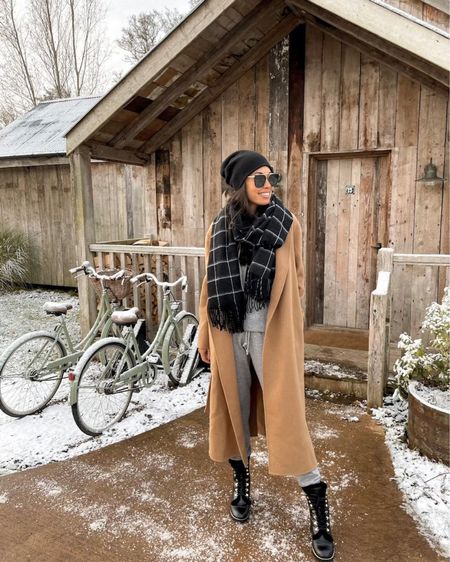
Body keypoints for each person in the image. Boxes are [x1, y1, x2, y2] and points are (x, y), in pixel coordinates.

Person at [197, 150, 335, 561]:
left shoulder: (286, 224)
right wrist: (205, 334)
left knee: (287, 418)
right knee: (234, 412)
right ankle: (241, 480)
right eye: (259, 179)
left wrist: (287, 325)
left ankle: (316, 495)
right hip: (228, 333)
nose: (268, 185)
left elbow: (297, 283)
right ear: (241, 185)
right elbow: (208, 287)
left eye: (270, 177)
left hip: (270, 336)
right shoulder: (218, 228)